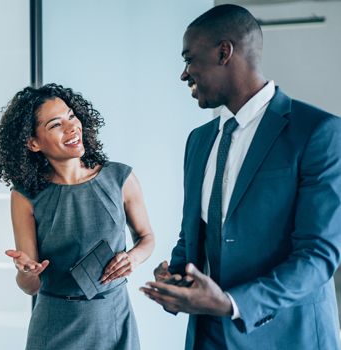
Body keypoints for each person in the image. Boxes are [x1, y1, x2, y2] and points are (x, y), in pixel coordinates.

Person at [140, 4, 341, 350]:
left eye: (189, 59)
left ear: (224, 52)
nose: (184, 74)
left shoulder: (317, 132)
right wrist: (175, 276)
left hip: (286, 338)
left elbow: (317, 256)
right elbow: (194, 236)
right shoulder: (199, 141)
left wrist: (232, 303)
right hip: (207, 338)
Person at [0, 83, 155, 350]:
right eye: (56, 125)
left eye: (71, 116)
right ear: (33, 143)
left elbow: (147, 237)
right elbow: (30, 286)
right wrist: (27, 271)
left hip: (114, 319)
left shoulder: (120, 178)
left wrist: (133, 258)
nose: (71, 127)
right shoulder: (25, 196)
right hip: (54, 324)